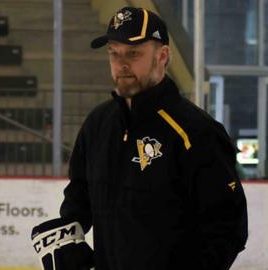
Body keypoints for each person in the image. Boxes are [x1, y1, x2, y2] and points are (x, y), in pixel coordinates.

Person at [31, 7, 248, 270]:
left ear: (163, 56)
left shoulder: (195, 132)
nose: (122, 63)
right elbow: (80, 194)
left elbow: (228, 227)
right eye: (114, 53)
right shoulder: (97, 124)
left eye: (133, 53)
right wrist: (69, 233)